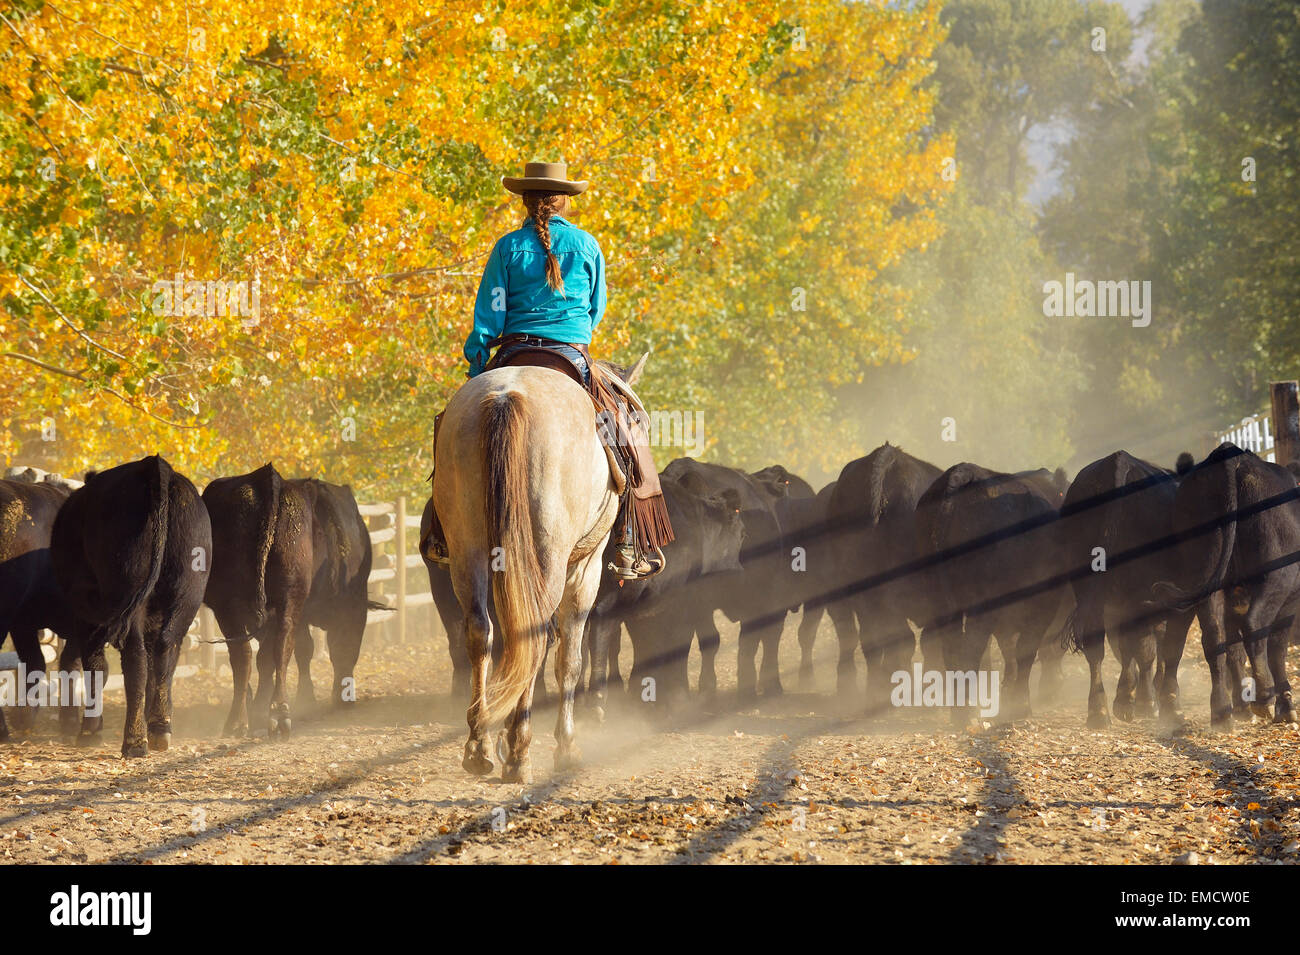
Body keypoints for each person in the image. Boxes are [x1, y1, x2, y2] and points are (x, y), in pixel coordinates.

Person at [424, 161, 672, 579]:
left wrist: (477, 361)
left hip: (512, 353)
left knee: (450, 422)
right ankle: (630, 539)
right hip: (570, 357)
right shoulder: (588, 245)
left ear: (526, 200)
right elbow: (595, 310)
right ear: (564, 202)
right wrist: (574, 331)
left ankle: (442, 530)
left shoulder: (507, 248)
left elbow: (489, 313)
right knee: (624, 425)